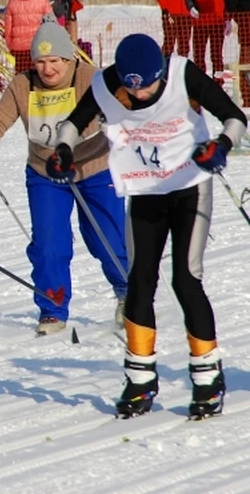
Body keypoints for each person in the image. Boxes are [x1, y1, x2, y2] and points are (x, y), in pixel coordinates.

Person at [48, 34, 246, 419]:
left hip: (189, 186)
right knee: (140, 279)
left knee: (186, 279)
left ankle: (207, 378)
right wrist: (63, 151)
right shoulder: (107, 84)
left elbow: (235, 116)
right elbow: (73, 122)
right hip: (145, 190)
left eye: (148, 86)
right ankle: (140, 379)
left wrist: (221, 145)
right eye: (132, 87)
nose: (139, 95)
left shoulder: (179, 72)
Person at [0, 22, 128, 335]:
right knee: (49, 245)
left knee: (108, 240)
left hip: (94, 168)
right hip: (46, 173)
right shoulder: (23, 84)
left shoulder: (90, 77)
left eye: (55, 61)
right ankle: (52, 309)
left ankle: (129, 294)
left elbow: (122, 107)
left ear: (69, 59)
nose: (47, 69)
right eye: (41, 62)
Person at [185, 0, 231, 82]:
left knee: (216, 55)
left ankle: (218, 84)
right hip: (200, 24)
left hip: (217, 23)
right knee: (198, 55)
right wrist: (191, 8)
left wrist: (228, 20)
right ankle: (201, 83)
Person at [4, 0, 53, 72]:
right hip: (38, 44)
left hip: (18, 48)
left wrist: (9, 44)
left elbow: (8, 25)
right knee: (37, 76)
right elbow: (50, 21)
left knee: (21, 77)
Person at [225, 0, 250, 64]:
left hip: (245, 26)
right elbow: (231, 4)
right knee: (246, 57)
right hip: (246, 28)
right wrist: (241, 19)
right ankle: (245, 79)